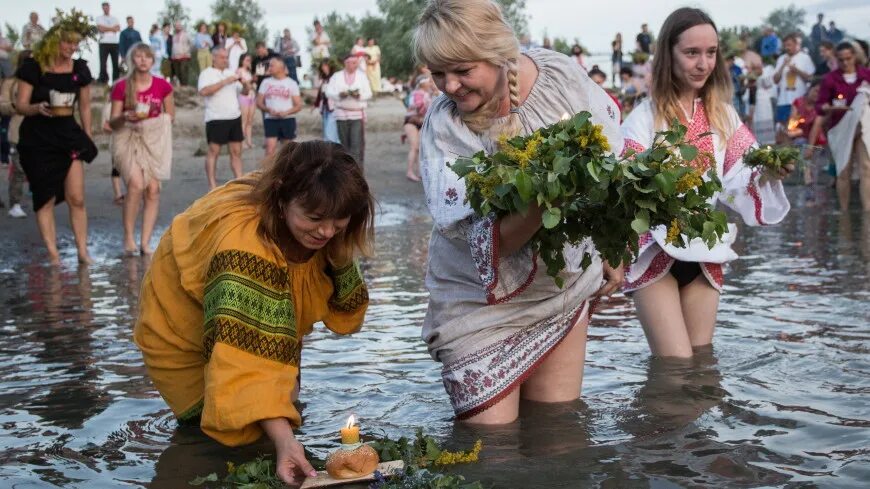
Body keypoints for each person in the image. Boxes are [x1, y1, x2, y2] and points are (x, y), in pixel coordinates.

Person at [415, 0, 624, 424]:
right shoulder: (445, 127)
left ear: (496, 54)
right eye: (439, 73)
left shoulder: (559, 76)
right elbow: (493, 244)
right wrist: (551, 197)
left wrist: (615, 248)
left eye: (462, 70)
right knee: (493, 453)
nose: (450, 86)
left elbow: (610, 164)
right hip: (475, 304)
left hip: (560, 289)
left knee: (558, 434)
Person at [134, 140, 373, 486]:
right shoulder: (242, 249)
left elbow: (345, 313)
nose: (326, 231)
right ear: (280, 199)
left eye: (338, 221)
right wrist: (284, 441)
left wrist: (337, 244)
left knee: (281, 409)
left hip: (242, 308)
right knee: (232, 430)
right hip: (180, 330)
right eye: (316, 220)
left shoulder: (325, 222)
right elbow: (241, 363)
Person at [620, 7, 793, 358]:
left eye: (711, 53)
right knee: (675, 365)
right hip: (654, 250)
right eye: (692, 53)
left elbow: (742, 174)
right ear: (668, 54)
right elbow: (624, 187)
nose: (703, 64)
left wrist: (770, 172)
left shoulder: (723, 115)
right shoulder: (643, 118)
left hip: (705, 247)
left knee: (701, 363)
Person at [15, 18, 99, 264]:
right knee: (45, 197)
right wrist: (36, 108)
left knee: (77, 197)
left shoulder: (79, 69)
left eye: (75, 43)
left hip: (68, 135)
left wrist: (88, 135)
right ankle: (53, 256)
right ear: (54, 41)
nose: (72, 47)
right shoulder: (33, 66)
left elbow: (84, 107)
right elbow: (20, 104)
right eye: (67, 42)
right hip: (37, 139)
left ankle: (82, 252)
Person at [109, 43, 175, 255]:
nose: (143, 60)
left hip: (153, 140)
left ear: (153, 60)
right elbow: (113, 122)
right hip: (126, 138)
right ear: (132, 60)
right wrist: (125, 117)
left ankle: (145, 242)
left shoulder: (163, 86)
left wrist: (152, 121)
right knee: (136, 184)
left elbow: (170, 116)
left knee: (153, 190)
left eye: (147, 56)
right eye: (138, 56)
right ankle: (129, 236)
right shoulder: (121, 86)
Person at [808, 41, 870, 211]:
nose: (845, 63)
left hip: (862, 127)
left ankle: (867, 212)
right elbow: (820, 105)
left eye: (848, 59)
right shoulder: (830, 79)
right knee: (844, 170)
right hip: (840, 126)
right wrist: (828, 107)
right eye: (841, 60)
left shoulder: (866, 74)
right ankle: (843, 211)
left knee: (866, 168)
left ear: (855, 57)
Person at [198, 47, 249, 190]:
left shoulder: (230, 73)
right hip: (216, 117)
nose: (225, 60)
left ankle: (240, 182)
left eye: (226, 57)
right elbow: (204, 91)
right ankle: (212, 185)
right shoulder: (206, 73)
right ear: (213, 58)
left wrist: (245, 83)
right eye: (222, 57)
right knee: (214, 151)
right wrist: (225, 81)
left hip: (234, 116)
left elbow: (244, 92)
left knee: (236, 152)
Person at [325, 53, 372, 166]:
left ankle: (357, 173)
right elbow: (328, 92)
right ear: (344, 63)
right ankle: (346, 173)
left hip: (357, 114)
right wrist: (339, 95)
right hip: (341, 113)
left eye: (354, 63)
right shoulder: (336, 76)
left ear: (357, 64)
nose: (351, 65)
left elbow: (369, 93)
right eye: (348, 62)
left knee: (356, 145)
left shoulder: (362, 76)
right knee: (344, 145)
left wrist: (359, 95)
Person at [0, 51, 29, 218]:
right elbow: (3, 105)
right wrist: (18, 105)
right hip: (18, 131)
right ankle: (15, 203)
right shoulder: (11, 83)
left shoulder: (40, 80)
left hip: (40, 132)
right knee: (18, 169)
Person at [257, 57, 302, 156]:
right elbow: (259, 102)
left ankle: (286, 171)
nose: (269, 68)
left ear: (281, 67)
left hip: (288, 120)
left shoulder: (291, 83)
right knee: (270, 150)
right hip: (270, 119)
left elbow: (298, 105)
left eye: (272, 65)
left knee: (288, 151)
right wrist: (268, 109)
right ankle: (267, 171)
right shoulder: (265, 82)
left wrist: (286, 112)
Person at [773, 33, 815, 128]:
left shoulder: (805, 58)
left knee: (797, 128)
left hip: (799, 100)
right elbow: (775, 80)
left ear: (796, 45)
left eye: (789, 45)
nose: (787, 48)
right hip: (783, 100)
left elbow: (810, 78)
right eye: (785, 45)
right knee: (783, 128)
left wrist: (796, 70)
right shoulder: (781, 59)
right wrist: (783, 65)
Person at [402, 75, 433, 182]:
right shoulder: (417, 94)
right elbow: (419, 108)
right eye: (428, 82)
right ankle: (410, 171)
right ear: (422, 83)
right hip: (412, 121)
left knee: (420, 148)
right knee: (414, 147)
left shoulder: (427, 94)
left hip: (421, 122)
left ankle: (420, 171)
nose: (430, 83)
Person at [314, 59, 339, 143]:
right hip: (324, 107)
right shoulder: (322, 79)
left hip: (333, 107)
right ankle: (327, 149)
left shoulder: (335, 78)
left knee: (330, 130)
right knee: (326, 129)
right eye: (322, 66)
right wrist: (315, 105)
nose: (324, 68)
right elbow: (319, 94)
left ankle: (334, 149)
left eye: (326, 65)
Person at [96, 2, 121, 84]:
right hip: (103, 42)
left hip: (114, 43)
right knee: (103, 63)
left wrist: (106, 28)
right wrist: (111, 28)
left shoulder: (114, 18)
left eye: (107, 7)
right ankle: (103, 80)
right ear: (102, 8)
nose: (106, 9)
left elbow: (117, 28)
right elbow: (100, 29)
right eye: (104, 7)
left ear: (109, 8)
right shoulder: (99, 18)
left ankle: (115, 82)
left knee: (115, 64)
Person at [236, 53, 256, 149]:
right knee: (243, 121)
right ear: (242, 61)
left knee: (250, 121)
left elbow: (252, 85)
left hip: (252, 96)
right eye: (247, 60)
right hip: (244, 97)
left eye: (250, 60)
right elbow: (245, 83)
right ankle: (242, 142)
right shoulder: (239, 71)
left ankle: (249, 141)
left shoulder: (249, 72)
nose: (249, 62)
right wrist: (252, 80)